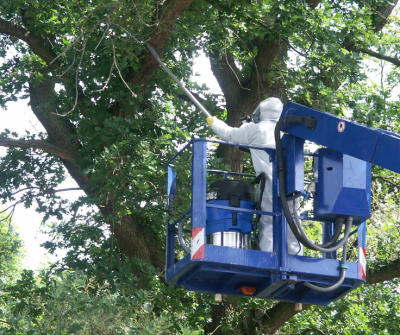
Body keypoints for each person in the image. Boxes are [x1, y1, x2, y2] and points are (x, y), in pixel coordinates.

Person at [206, 97, 302, 255]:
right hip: (292, 185)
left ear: (263, 111)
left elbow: (229, 134)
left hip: (270, 183)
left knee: (269, 221)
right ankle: (297, 259)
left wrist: (214, 122)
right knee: (293, 222)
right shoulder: (288, 131)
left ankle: (268, 258)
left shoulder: (255, 129)